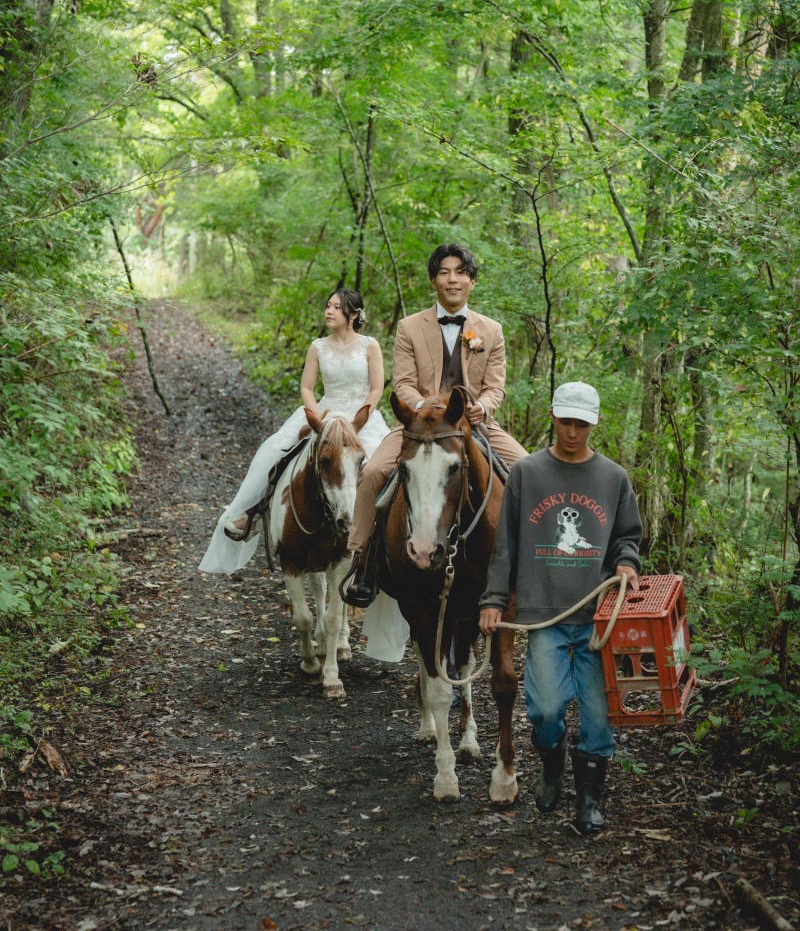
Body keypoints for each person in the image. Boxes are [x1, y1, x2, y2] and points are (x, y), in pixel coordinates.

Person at [478, 381, 642, 835]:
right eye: (566, 421)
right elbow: (506, 544)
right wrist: (493, 600)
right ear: (553, 416)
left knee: (596, 715)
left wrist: (626, 563)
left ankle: (588, 802)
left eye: (582, 424)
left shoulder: (613, 478)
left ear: (594, 424)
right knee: (546, 710)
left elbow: (628, 536)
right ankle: (552, 764)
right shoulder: (527, 474)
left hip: (596, 620)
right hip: (544, 614)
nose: (573, 432)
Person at [344, 243, 528, 605]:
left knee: (529, 471)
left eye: (460, 272)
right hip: (419, 425)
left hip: (474, 425)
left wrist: (482, 409)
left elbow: (495, 388)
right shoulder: (409, 327)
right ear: (433, 280)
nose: (452, 279)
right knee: (372, 473)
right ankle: (362, 561)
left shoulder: (491, 330)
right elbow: (403, 384)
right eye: (444, 272)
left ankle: (532, 566)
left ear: (472, 282)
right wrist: (422, 406)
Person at [199, 289, 391, 578]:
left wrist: (357, 419)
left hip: (359, 418)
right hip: (324, 414)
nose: (329, 311)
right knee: (276, 450)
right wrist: (317, 415)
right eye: (328, 306)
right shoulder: (318, 346)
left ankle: (386, 530)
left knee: (382, 465)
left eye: (337, 308)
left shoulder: (370, 345)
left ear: (353, 314)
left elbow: (377, 387)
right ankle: (255, 514)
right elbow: (307, 388)